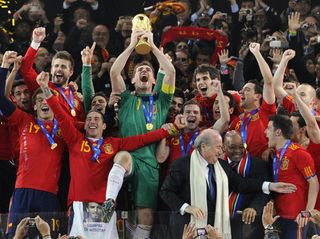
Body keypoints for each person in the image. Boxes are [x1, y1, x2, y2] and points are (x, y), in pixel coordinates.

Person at [36, 66, 183, 238]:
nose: (92, 121)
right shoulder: (75, 140)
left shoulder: (114, 144)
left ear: (104, 125)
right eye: (89, 119)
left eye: (97, 119)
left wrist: (170, 129)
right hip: (79, 205)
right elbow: (60, 115)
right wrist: (46, 89)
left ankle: (110, 201)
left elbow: (143, 139)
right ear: (84, 125)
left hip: (104, 209)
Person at [160, 128, 297, 239]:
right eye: (218, 147)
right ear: (203, 147)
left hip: (212, 228)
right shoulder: (183, 165)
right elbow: (165, 192)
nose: (221, 151)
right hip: (187, 227)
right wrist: (187, 207)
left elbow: (241, 183)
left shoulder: (221, 166)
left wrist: (270, 186)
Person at [110, 29, 176, 238]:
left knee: (145, 215)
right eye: (140, 71)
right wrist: (131, 45)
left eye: (148, 69)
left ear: (155, 81)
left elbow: (171, 72)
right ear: (133, 81)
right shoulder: (127, 98)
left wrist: (153, 46)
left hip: (150, 163)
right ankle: (108, 200)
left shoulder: (162, 101)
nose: (144, 71)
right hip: (130, 156)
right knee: (122, 157)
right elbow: (114, 72)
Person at [0, 52, 66, 238]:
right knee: (15, 236)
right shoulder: (24, 120)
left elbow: (92, 129)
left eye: (47, 100)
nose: (44, 103)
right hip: (23, 191)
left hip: (49, 194)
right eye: (39, 101)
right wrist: (5, 65)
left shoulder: (65, 127)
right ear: (34, 106)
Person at [265, 114, 319, 239]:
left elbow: (314, 183)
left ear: (278, 132)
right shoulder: (275, 155)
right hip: (278, 216)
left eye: (268, 128)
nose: (265, 132)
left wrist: (307, 212)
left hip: (296, 218)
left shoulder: (298, 153)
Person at [20, 27, 85, 121]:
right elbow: (26, 69)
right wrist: (35, 43)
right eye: (56, 66)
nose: (59, 69)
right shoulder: (42, 87)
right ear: (51, 69)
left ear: (71, 72)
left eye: (63, 67)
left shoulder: (76, 97)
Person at [229, 43, 276, 160]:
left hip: (261, 164)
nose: (241, 92)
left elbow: (269, 82)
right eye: (242, 90)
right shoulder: (236, 121)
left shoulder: (266, 112)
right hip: (239, 165)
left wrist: (257, 53)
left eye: (247, 90)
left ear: (258, 96)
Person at [224, 130, 270, 239]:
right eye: (232, 147)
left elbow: (264, 192)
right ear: (223, 147)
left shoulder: (258, 165)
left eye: (241, 147)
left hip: (248, 222)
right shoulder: (217, 164)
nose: (238, 151)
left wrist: (254, 208)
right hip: (222, 219)